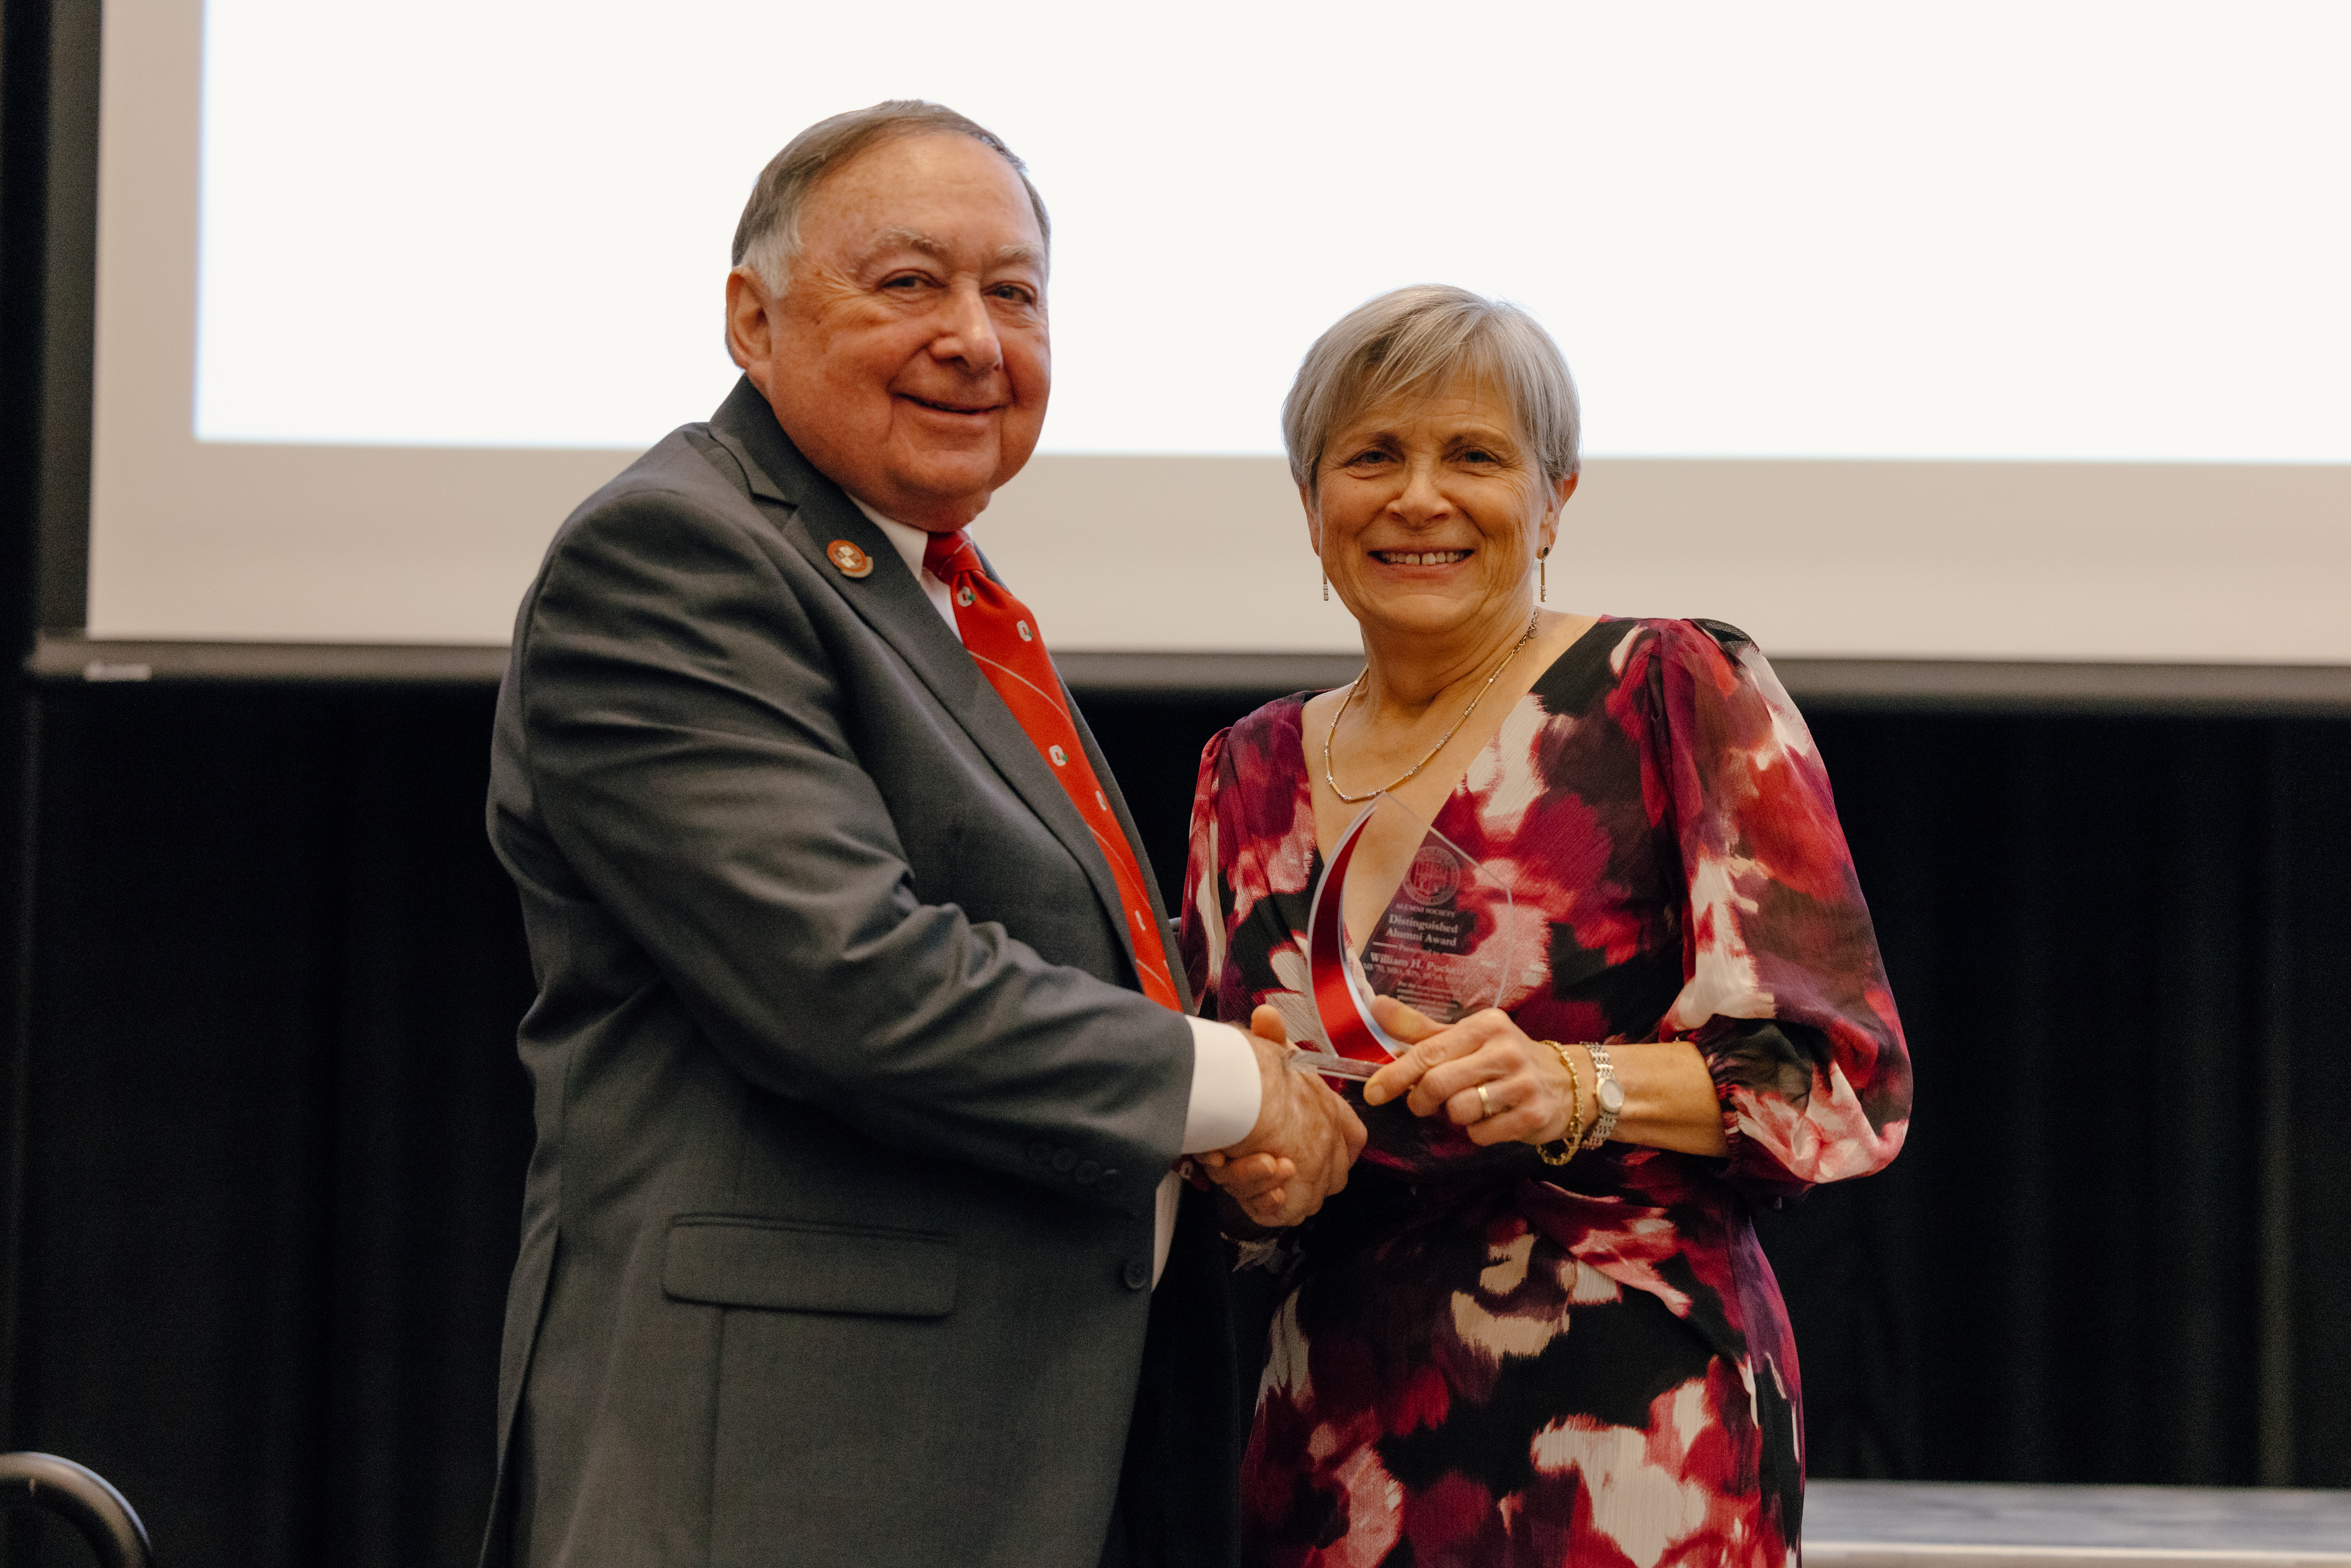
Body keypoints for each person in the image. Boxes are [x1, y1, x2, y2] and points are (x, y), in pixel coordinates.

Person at [480, 101, 1362, 1568]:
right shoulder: (674, 554)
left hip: (1005, 1459)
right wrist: (1225, 1088)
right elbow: (847, 979)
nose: (975, 337)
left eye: (1014, 292)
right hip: (786, 1475)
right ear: (750, 321)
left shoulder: (934, 589)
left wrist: (1203, 1142)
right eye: (908, 283)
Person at [1177, 285, 1913, 1566]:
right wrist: (1248, 1162)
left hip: (1630, 1420)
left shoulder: (1670, 689)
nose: (1418, 496)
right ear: (1311, 506)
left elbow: (1840, 1080)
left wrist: (1572, 1085)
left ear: (1556, 497)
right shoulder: (1245, 771)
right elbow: (1218, 1095)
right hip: (1328, 1428)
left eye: (1472, 455)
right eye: (1371, 457)